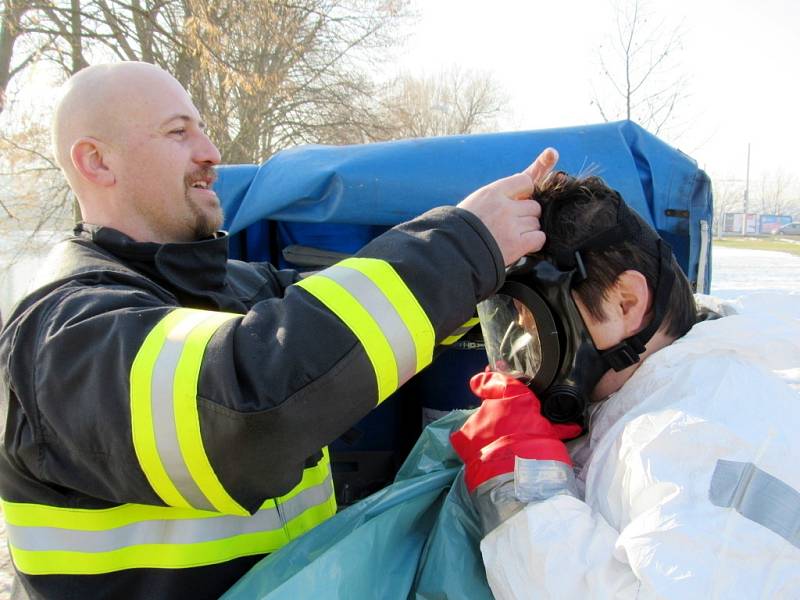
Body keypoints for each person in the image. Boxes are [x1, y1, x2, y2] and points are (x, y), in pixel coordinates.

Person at [0, 61, 559, 600]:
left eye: (202, 129)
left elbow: (348, 331)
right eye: (178, 132)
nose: (211, 153)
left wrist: (499, 265)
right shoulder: (62, 337)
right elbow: (247, 407)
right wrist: (463, 247)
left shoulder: (237, 286)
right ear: (96, 162)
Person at [452, 172, 800, 598]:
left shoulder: (705, 434)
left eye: (538, 327)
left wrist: (523, 492)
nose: (520, 355)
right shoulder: (648, 394)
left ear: (626, 303)